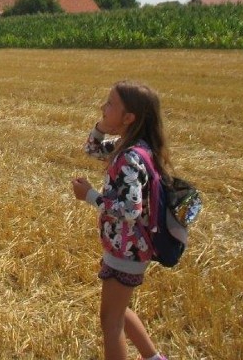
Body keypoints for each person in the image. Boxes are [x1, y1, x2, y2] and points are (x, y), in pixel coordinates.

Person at [71, 81, 171, 360]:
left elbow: (130, 210)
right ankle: (154, 359)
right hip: (126, 247)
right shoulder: (130, 146)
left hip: (128, 249)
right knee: (120, 311)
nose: (103, 106)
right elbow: (92, 149)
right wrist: (102, 125)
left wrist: (90, 195)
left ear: (129, 118)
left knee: (110, 322)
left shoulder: (128, 157)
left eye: (111, 104)